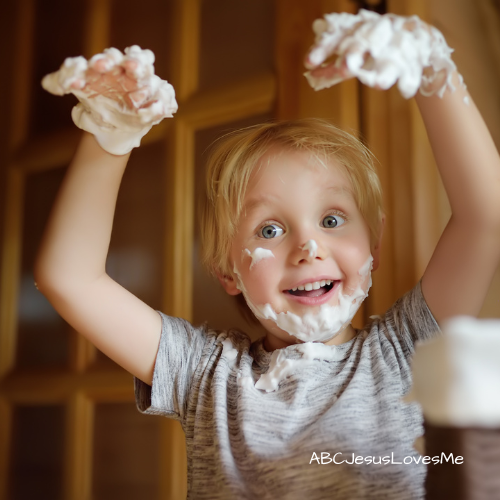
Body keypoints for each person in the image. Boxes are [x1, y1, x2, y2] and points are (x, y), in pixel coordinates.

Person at [34, 11, 500, 500]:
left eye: (332, 220)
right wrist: (111, 134)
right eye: (271, 229)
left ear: (374, 245)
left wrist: (432, 71)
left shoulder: (405, 349)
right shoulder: (206, 373)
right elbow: (70, 278)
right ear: (226, 269)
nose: (308, 247)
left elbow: (485, 218)